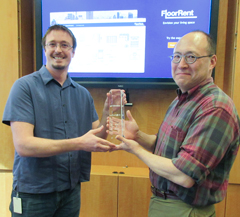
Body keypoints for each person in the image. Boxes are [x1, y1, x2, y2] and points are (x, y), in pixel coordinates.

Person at [111, 30, 240, 217]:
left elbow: (184, 175)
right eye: (177, 56)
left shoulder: (215, 107)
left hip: (185, 209)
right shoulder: (182, 99)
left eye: (191, 57)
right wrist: (138, 137)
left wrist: (135, 149)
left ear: (212, 62)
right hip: (164, 203)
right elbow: (171, 151)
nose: (181, 64)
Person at [2, 24, 118, 217]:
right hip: (33, 194)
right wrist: (79, 143)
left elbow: (98, 136)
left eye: (65, 45)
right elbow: (24, 146)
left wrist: (107, 112)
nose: (58, 50)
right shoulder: (24, 87)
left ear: (73, 52)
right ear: (45, 49)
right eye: (52, 44)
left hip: (70, 191)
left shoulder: (82, 94)